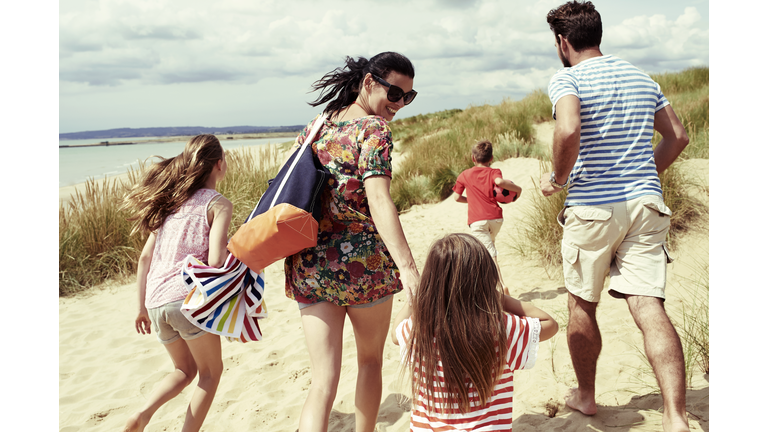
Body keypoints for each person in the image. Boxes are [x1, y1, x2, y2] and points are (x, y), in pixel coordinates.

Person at [539, 2, 690, 431]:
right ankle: (676, 417)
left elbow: (568, 129)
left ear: (563, 42)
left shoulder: (568, 77)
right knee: (649, 306)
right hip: (645, 203)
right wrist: (643, 172)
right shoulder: (643, 78)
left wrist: (558, 177)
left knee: (582, 304)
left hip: (592, 206)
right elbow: (677, 136)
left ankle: (586, 396)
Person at [283, 52, 421, 432]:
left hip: (310, 264)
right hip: (365, 267)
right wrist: (409, 268)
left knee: (322, 380)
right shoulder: (373, 129)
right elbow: (378, 199)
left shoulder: (319, 124)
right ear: (369, 83)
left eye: (408, 97)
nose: (398, 104)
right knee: (370, 363)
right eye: (394, 93)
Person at [122, 134, 233, 432]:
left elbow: (145, 259)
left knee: (184, 370)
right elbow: (214, 261)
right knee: (211, 373)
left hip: (156, 301)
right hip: (187, 300)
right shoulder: (218, 203)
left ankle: (141, 416)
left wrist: (141, 308)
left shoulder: (170, 203)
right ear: (219, 165)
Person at [391, 233, 558, 431]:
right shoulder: (501, 327)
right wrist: (501, 299)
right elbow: (550, 324)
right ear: (486, 279)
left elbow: (395, 334)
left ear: (431, 281)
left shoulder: (420, 330)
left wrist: (419, 296)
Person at [452, 140, 522, 295]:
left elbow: (456, 197)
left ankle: (501, 286)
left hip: (477, 221)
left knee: (489, 255)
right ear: (491, 158)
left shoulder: (464, 175)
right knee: (490, 247)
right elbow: (499, 182)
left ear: (472, 158)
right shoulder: (494, 171)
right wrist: (518, 189)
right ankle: (490, 286)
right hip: (496, 219)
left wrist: (470, 200)